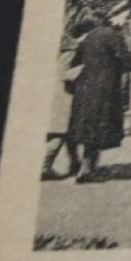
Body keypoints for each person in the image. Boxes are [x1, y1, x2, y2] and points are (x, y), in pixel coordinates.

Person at [68, 4, 131, 182]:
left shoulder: (89, 37)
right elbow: (128, 63)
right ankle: (87, 172)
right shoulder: (112, 36)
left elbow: (75, 62)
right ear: (115, 17)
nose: (126, 21)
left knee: (89, 128)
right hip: (104, 89)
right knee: (98, 127)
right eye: (125, 17)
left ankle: (86, 168)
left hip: (85, 88)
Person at [42, 21, 87, 180]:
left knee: (68, 132)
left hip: (55, 94)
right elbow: (64, 74)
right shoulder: (70, 50)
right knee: (60, 133)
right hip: (62, 96)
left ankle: (75, 164)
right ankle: (44, 167)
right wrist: (83, 69)